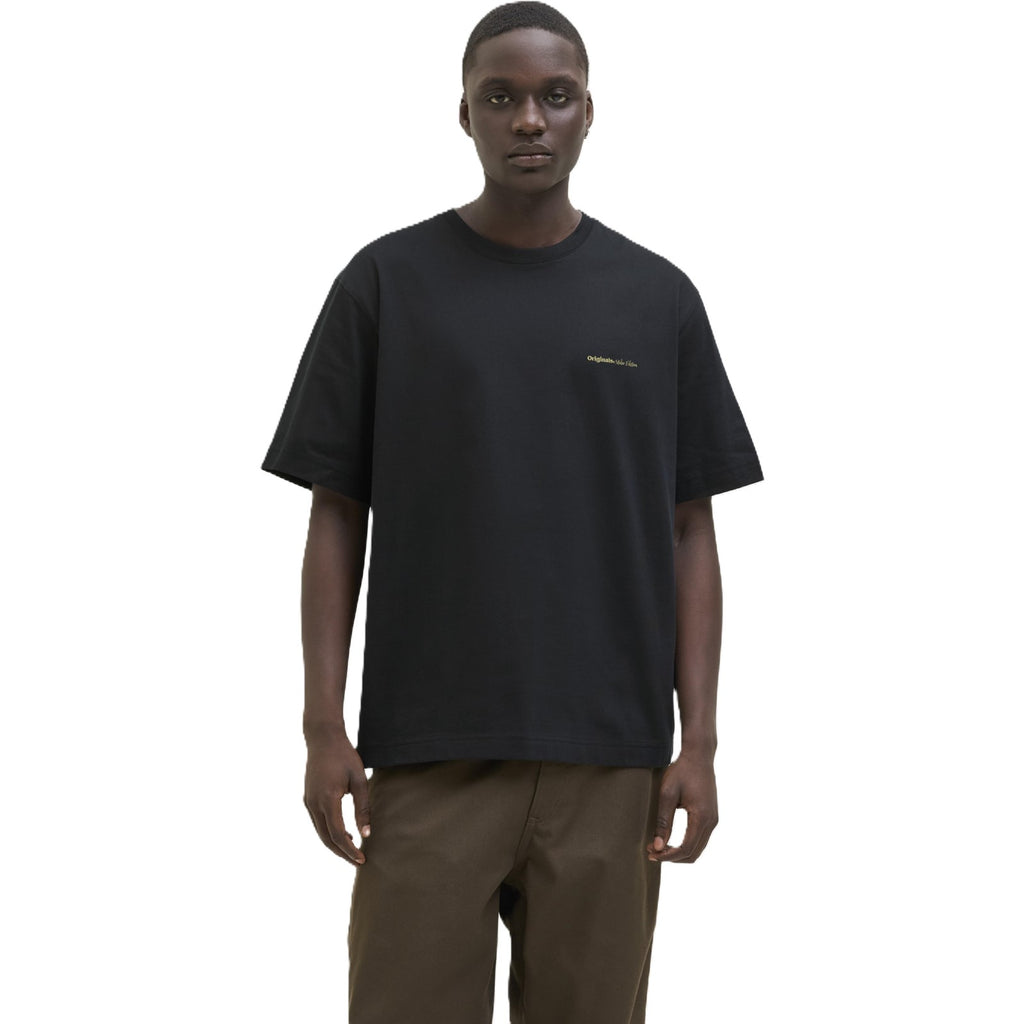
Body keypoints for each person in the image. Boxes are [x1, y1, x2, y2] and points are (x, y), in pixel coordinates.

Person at [260, 3, 763, 1021]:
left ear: (589, 113)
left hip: (610, 758)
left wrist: (700, 742)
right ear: (465, 115)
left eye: (554, 96)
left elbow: (688, 529)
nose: (529, 119)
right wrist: (321, 724)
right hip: (428, 751)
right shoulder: (385, 284)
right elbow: (335, 511)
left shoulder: (656, 298)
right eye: (501, 97)